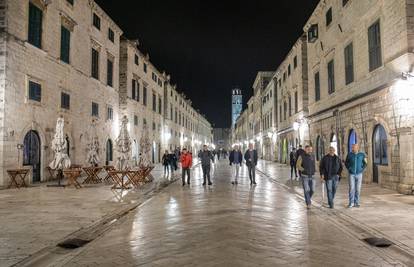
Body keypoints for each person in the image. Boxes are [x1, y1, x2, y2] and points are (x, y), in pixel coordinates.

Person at [345, 144, 367, 208]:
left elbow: (365, 163)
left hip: (359, 174)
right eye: (352, 147)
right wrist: (349, 168)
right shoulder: (349, 155)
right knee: (351, 188)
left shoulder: (362, 155)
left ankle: (356, 202)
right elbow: (346, 163)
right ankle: (351, 202)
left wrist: (361, 169)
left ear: (357, 148)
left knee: (358, 189)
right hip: (351, 174)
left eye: (354, 147)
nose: (353, 148)